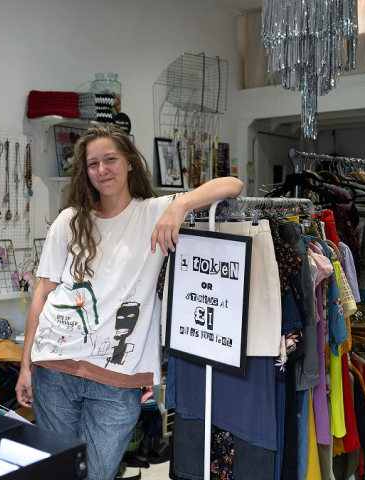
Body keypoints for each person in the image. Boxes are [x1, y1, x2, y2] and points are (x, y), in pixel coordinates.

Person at [15, 124, 243, 479]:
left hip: (118, 377)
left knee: (98, 473)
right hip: (55, 366)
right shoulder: (70, 221)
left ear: (129, 163)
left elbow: (232, 184)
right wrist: (26, 364)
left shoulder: (153, 211)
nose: (102, 170)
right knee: (58, 474)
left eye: (110, 160)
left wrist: (179, 204)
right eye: (93, 164)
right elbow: (42, 294)